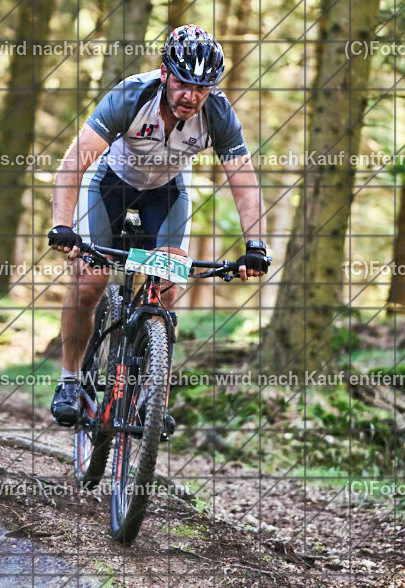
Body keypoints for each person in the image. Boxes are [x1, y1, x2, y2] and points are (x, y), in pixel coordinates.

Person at [47, 24, 270, 426]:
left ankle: (154, 399)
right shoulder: (132, 94)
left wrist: (255, 245)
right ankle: (70, 379)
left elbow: (245, 183)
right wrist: (63, 226)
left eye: (202, 88)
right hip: (110, 186)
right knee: (89, 282)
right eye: (184, 84)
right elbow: (74, 161)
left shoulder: (217, 114)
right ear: (165, 73)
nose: (191, 96)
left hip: (165, 194)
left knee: (166, 288)